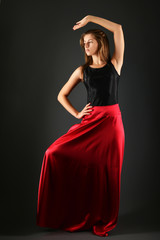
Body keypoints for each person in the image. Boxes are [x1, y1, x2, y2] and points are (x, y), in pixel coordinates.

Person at [36, 15, 125, 237]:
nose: (85, 46)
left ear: (100, 42)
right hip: (91, 123)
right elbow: (61, 95)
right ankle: (69, 213)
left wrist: (90, 19)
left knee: (107, 172)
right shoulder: (81, 71)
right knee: (52, 152)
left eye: (89, 41)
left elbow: (118, 29)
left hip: (112, 125)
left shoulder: (115, 64)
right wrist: (77, 113)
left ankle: (102, 216)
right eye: (83, 43)